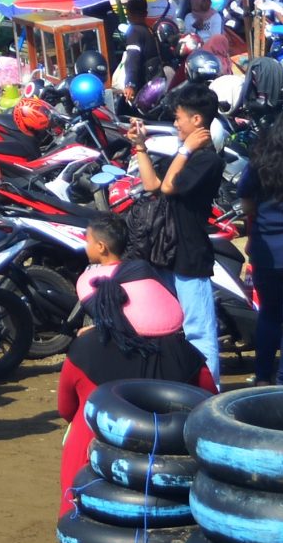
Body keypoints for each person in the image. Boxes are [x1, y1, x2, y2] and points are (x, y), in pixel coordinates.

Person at [53, 213, 211, 512]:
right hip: (167, 479)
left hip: (88, 470)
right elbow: (209, 401)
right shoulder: (186, 354)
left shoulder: (85, 348)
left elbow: (65, 409)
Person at [124, 83, 226, 384]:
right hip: (166, 253)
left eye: (179, 117)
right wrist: (140, 146)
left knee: (199, 330)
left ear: (197, 120)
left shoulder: (206, 159)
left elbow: (168, 187)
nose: (175, 123)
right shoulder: (189, 156)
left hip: (190, 256)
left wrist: (185, 149)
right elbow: (154, 185)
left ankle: (211, 390)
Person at [241, 113, 283, 384]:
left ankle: (261, 375)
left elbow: (245, 201)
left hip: (264, 247)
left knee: (268, 313)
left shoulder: (260, 162)